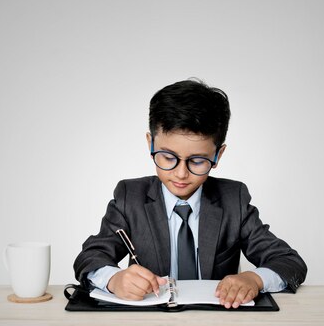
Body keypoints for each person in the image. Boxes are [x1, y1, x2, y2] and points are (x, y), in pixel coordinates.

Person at [73, 79, 307, 308]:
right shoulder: (130, 197)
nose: (181, 174)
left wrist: (254, 279)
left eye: (197, 160)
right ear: (150, 143)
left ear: (218, 155)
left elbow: (290, 262)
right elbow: (91, 256)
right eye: (167, 157)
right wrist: (114, 279)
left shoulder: (233, 199)